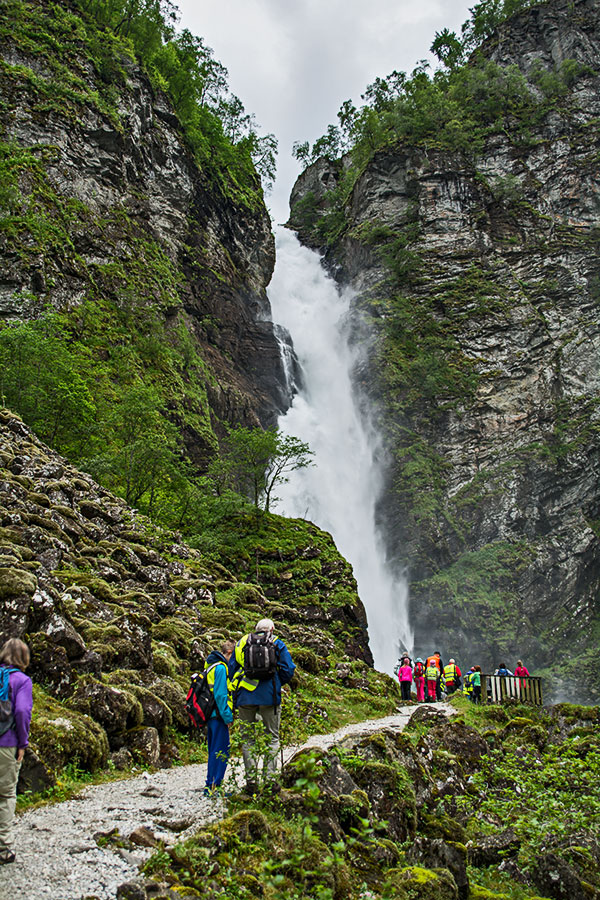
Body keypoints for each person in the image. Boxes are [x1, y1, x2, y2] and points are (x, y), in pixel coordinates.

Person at [229, 619, 295, 793]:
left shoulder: (242, 642)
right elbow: (288, 669)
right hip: (270, 696)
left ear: (255, 630)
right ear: (272, 629)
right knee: (272, 737)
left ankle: (251, 783)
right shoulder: (277, 643)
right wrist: (277, 682)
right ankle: (270, 780)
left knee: (247, 739)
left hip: (245, 697)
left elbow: (231, 669)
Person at [0, 639, 32, 865]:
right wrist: (23, 743)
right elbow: (22, 711)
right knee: (5, 795)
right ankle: (3, 849)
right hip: (7, 743)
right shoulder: (21, 680)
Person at [203, 640, 235, 796]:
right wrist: (228, 717)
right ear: (228, 653)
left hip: (209, 715)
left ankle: (210, 784)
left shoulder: (209, 667)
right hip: (218, 715)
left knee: (213, 749)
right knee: (221, 750)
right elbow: (221, 695)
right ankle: (215, 786)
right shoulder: (221, 668)